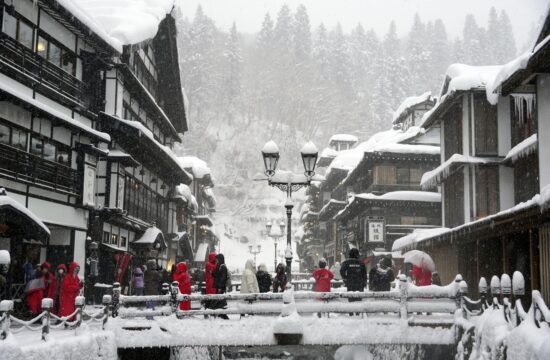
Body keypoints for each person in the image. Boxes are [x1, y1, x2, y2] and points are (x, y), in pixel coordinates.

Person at [212, 253, 229, 319]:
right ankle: (221, 314)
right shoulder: (220, 266)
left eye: (217, 259)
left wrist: (220, 287)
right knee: (220, 300)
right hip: (219, 287)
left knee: (220, 300)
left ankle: (223, 315)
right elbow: (217, 275)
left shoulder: (222, 267)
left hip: (220, 287)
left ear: (220, 259)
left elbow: (223, 278)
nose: (216, 260)